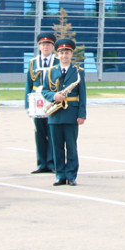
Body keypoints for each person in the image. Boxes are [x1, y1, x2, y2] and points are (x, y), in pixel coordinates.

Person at [41, 38, 87, 186]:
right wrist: (54, 96)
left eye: (67, 53)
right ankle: (60, 175)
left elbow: (83, 95)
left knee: (71, 147)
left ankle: (71, 175)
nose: (64, 56)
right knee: (57, 146)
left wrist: (81, 114)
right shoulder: (50, 72)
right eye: (61, 53)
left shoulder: (78, 72)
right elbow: (45, 90)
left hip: (71, 113)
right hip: (55, 113)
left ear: (71, 54)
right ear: (57, 54)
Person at [26, 32, 57, 174]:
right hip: (36, 102)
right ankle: (41, 163)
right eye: (43, 44)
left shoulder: (57, 62)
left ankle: (52, 162)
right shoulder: (33, 63)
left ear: (53, 47)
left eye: (48, 45)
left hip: (51, 100)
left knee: (51, 131)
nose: (45, 47)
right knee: (39, 132)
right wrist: (27, 105)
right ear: (39, 46)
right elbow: (28, 83)